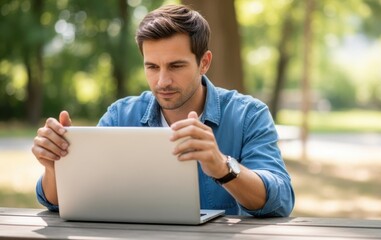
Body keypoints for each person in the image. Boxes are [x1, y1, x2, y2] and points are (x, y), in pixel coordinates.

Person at [32, 4, 294, 217]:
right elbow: (61, 203)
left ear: (204, 62)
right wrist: (55, 168)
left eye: (176, 66)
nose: (162, 81)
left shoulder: (248, 115)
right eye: (152, 67)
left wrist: (222, 167)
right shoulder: (120, 116)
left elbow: (280, 199)